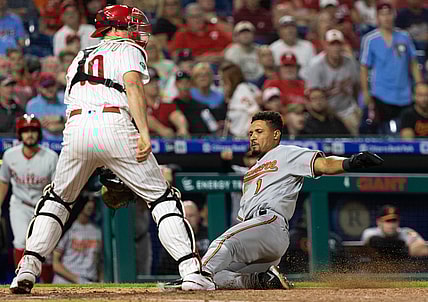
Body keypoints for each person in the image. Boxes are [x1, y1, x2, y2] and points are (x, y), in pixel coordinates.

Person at [10, 4, 215, 294]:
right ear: (116, 27)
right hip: (114, 122)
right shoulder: (127, 48)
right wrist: (144, 132)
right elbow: (132, 86)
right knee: (161, 198)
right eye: (129, 25)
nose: (134, 30)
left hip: (76, 128)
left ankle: (26, 270)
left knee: (58, 199)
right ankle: (191, 271)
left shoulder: (80, 55)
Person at [182, 111, 383, 290]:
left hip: (270, 223)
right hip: (259, 235)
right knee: (218, 275)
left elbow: (324, 164)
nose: (253, 137)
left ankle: (196, 275)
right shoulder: (250, 172)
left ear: (276, 134)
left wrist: (351, 162)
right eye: (251, 133)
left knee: (223, 242)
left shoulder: (286, 153)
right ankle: (260, 280)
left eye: (259, 131)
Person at [0, 115, 58, 283]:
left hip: (43, 206)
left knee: (45, 250)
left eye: (33, 130)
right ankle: (20, 281)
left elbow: (56, 187)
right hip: (20, 205)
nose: (29, 135)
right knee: (20, 242)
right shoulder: (10, 155)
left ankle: (47, 286)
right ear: (20, 134)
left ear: (38, 133)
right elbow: (3, 182)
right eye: (25, 131)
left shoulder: (50, 157)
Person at [360, 1, 423, 128]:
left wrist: (419, 85)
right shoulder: (370, 39)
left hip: (405, 95)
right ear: (377, 17)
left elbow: (413, 63)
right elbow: (364, 67)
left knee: (407, 130)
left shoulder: (404, 36)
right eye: (382, 15)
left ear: (394, 15)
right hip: (380, 95)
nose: (386, 18)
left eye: (389, 14)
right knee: (374, 130)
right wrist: (366, 92)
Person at [306, 29, 361, 135]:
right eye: (332, 44)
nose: (335, 48)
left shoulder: (350, 62)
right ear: (325, 46)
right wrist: (336, 117)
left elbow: (356, 86)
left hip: (347, 109)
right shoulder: (316, 65)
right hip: (325, 112)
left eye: (338, 44)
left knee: (358, 129)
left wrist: (355, 106)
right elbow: (314, 95)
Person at [52, 198, 103, 283]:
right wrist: (77, 280)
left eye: (92, 201)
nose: (90, 205)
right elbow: (55, 263)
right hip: (65, 281)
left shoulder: (97, 231)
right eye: (87, 201)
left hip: (89, 281)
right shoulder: (67, 228)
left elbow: (99, 263)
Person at [157, 200, 210, 275]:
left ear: (198, 216)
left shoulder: (207, 232)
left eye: (191, 215)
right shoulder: (173, 237)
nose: (187, 219)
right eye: (184, 216)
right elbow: (164, 268)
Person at [361, 205, 428, 258]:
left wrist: (411, 249)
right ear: (379, 222)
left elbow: (423, 250)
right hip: (371, 272)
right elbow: (377, 242)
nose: (391, 224)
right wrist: (404, 247)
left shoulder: (406, 232)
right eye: (387, 221)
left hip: (400, 272)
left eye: (394, 220)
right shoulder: (370, 232)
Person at [145, 67, 189, 138]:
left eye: (156, 81)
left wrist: (182, 129)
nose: (155, 85)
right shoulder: (137, 104)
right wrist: (161, 129)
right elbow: (145, 117)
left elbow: (177, 116)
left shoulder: (165, 103)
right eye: (150, 82)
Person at [220, 61, 261, 138]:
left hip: (245, 140)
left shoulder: (242, 90)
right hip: (237, 138)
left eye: (224, 80)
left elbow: (256, 113)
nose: (221, 84)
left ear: (232, 79)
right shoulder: (235, 93)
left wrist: (249, 134)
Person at [26, 73, 67, 141]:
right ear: (39, 88)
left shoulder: (65, 99)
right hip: (44, 144)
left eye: (52, 85)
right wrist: (64, 122)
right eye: (45, 86)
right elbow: (52, 128)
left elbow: (75, 122)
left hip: (66, 143)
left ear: (56, 85)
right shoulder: (33, 105)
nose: (49, 89)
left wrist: (60, 118)